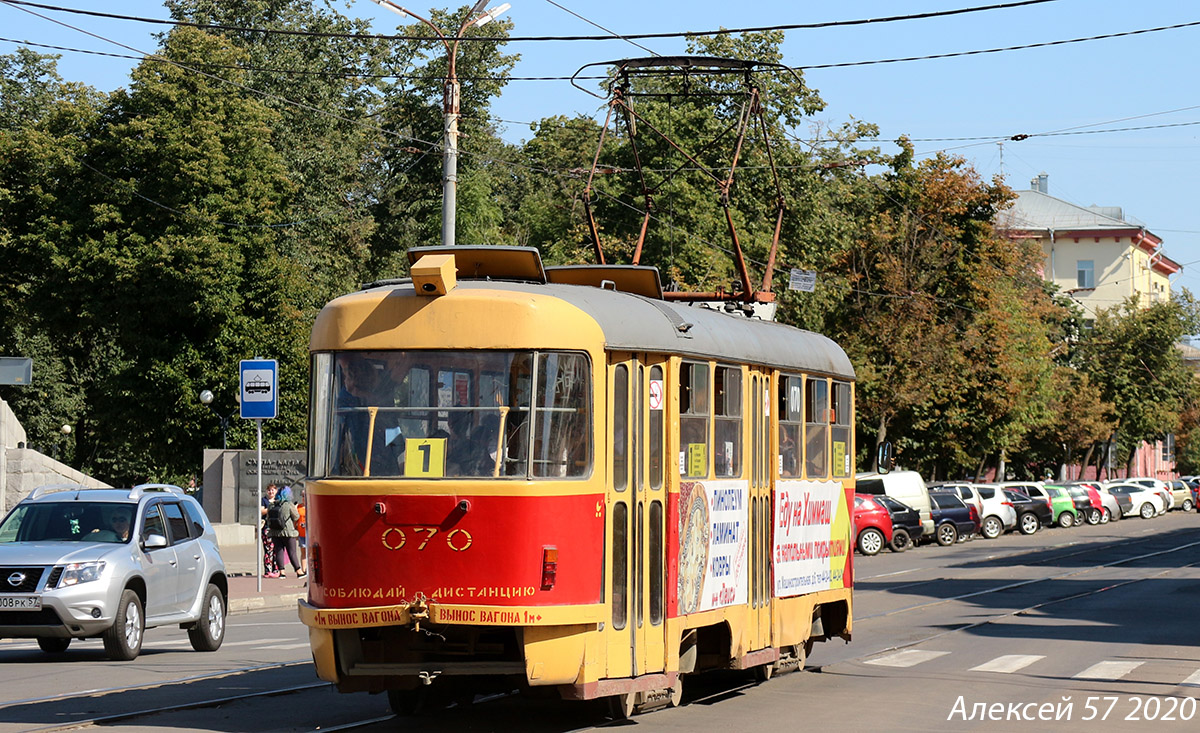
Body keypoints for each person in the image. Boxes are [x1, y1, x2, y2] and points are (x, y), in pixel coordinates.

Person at [267, 486, 305, 579]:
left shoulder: (271, 505)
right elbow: (296, 516)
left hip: (275, 532)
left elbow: (268, 518)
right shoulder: (288, 504)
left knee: (279, 551)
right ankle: (299, 571)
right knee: (292, 552)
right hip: (288, 532)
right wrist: (294, 509)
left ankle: (282, 572)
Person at [260, 484, 280, 577]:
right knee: (268, 550)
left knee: (276, 549)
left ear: (276, 491)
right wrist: (271, 509)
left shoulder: (279, 500)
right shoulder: (263, 500)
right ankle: (268, 570)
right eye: (269, 490)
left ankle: (276, 570)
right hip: (267, 528)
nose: (271, 492)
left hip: (276, 527)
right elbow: (262, 511)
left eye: (273, 490)